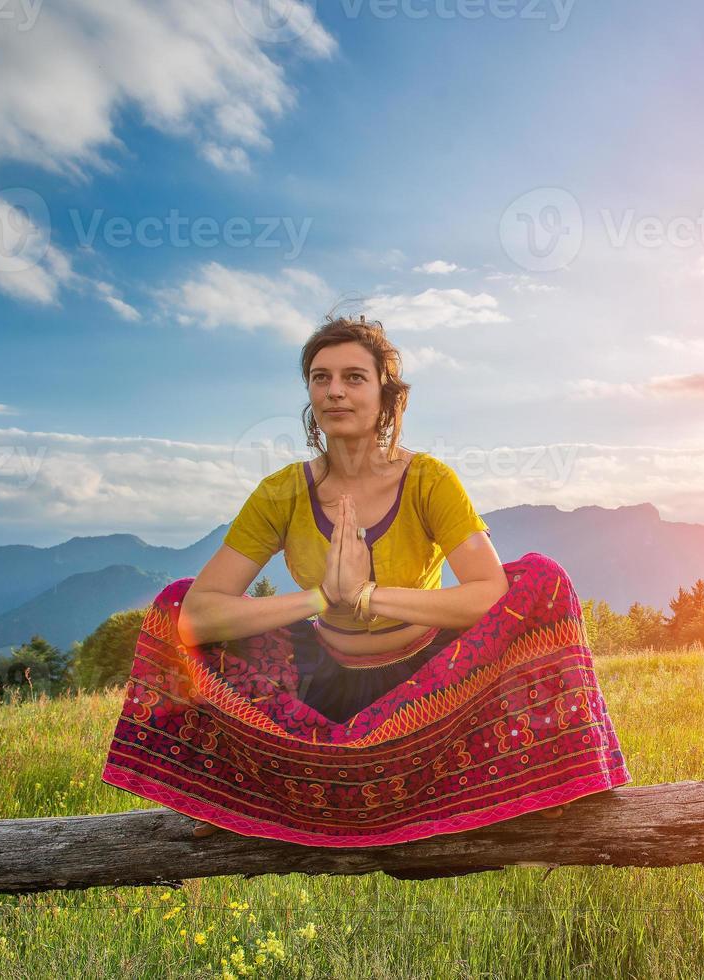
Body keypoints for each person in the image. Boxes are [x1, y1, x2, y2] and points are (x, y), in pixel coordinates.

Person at [99, 314, 631, 847]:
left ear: (386, 394)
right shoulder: (281, 492)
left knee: (543, 578)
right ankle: (219, 794)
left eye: (354, 377)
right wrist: (321, 598)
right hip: (321, 678)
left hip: (429, 681)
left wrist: (368, 596)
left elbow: (489, 592)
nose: (335, 391)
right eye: (320, 377)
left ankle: (550, 782)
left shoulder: (429, 480)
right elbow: (198, 614)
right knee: (172, 603)